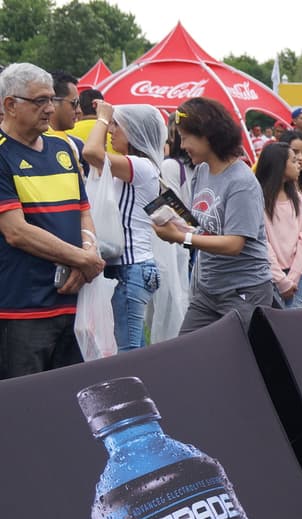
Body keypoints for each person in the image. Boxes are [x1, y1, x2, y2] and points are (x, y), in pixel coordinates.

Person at [0, 63, 104, 379]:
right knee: (23, 408)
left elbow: (83, 209)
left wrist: (88, 250)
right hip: (22, 309)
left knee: (73, 403)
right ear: (10, 105)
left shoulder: (63, 147)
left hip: (74, 305)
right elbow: (16, 231)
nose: (49, 109)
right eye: (39, 101)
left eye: (52, 99)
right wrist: (83, 260)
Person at [155, 97, 272, 334]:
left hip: (244, 292)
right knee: (187, 355)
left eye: (185, 137)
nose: (182, 144)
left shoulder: (242, 182)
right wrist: (177, 225)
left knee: (241, 364)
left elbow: (234, 244)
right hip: (207, 293)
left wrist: (181, 238)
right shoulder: (202, 171)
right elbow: (203, 227)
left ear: (207, 135)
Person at [82, 101, 167, 350]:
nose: (111, 131)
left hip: (133, 268)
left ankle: (140, 388)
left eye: (117, 125)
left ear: (134, 132)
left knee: (129, 352)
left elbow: (91, 152)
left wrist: (102, 116)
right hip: (134, 268)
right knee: (133, 345)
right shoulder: (140, 166)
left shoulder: (139, 166)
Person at [255, 142, 302, 309]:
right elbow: (262, 243)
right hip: (269, 275)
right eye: (293, 161)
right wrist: (280, 280)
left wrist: (293, 278)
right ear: (279, 166)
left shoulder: (296, 197)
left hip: (297, 273)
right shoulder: (259, 200)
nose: (299, 164)